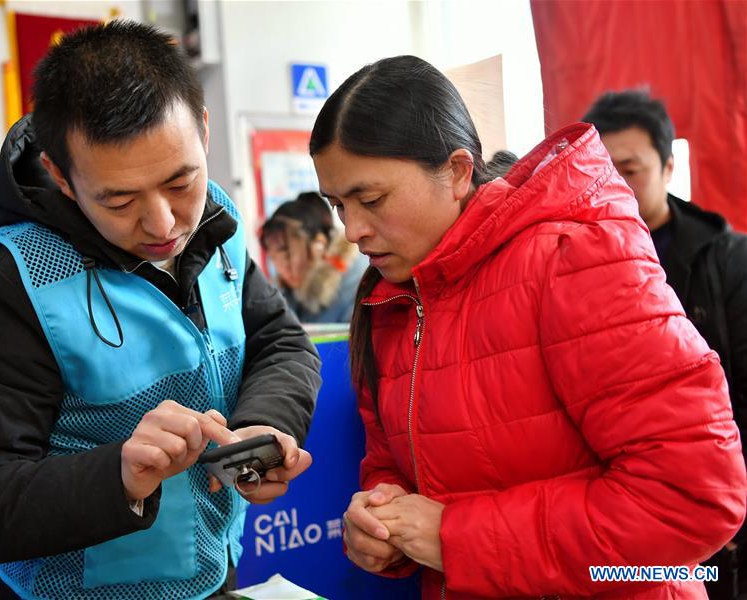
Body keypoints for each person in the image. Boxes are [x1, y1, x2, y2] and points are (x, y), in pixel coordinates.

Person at [309, 55, 746, 599]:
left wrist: (456, 537)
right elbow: (393, 463)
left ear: (458, 171)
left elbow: (693, 498)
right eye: (337, 205)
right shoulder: (389, 298)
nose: (352, 230)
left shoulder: (573, 259)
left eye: (371, 200)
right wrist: (383, 519)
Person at [0, 21, 321, 600]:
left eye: (180, 181)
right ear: (61, 176)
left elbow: (279, 342)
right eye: (119, 199)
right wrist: (119, 476)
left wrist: (260, 426)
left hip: (212, 570)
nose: (163, 224)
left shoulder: (216, 225)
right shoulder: (9, 282)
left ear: (204, 133)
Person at [583, 89, 747, 600]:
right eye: (600, 172)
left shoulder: (727, 262)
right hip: (619, 521)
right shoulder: (570, 264)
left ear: (670, 167)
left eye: (630, 170)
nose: (614, 187)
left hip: (716, 508)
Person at [260, 192, 366, 323]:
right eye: (273, 258)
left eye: (287, 255)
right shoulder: (285, 295)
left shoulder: (357, 282)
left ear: (318, 244)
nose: (281, 267)